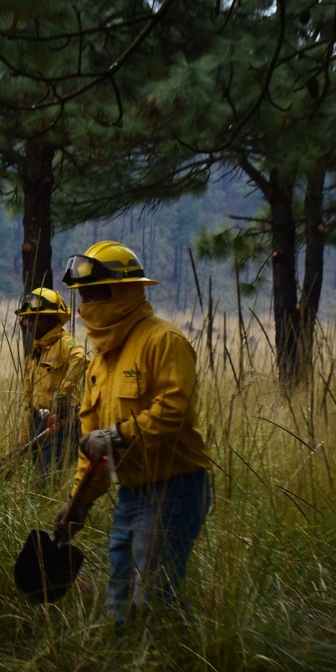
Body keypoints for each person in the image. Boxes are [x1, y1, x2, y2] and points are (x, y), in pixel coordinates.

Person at [51, 240, 213, 624]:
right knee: (119, 598)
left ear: (124, 291)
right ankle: (121, 656)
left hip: (176, 488)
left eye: (95, 293)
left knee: (153, 597)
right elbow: (92, 449)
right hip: (131, 493)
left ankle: (177, 654)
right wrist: (78, 503)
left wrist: (118, 435)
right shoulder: (100, 362)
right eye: (82, 295)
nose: (87, 304)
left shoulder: (164, 341)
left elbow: (174, 411)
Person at [17, 287, 87, 485]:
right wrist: (24, 437)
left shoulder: (65, 343)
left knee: (47, 481)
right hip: (39, 423)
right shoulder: (35, 353)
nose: (28, 324)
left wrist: (62, 395)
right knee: (40, 478)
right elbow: (28, 400)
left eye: (34, 319)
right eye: (27, 319)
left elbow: (81, 358)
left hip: (60, 423)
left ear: (51, 319)